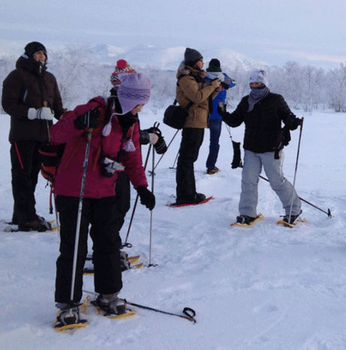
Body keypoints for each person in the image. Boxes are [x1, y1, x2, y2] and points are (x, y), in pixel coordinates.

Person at [50, 73, 156, 328]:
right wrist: (78, 123)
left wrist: (141, 187)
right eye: (139, 103)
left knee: (109, 243)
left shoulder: (131, 122)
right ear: (127, 98)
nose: (141, 108)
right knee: (74, 247)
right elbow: (55, 134)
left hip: (106, 190)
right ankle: (68, 304)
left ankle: (108, 294)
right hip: (74, 189)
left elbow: (132, 158)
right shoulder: (93, 110)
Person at [221, 70, 302, 226]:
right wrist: (223, 114)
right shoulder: (246, 101)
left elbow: (287, 116)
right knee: (248, 181)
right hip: (251, 148)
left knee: (277, 182)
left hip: (271, 148)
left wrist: (292, 121)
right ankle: (247, 213)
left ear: (264, 83)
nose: (254, 86)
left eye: (257, 83)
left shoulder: (276, 100)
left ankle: (294, 210)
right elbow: (235, 121)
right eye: (252, 83)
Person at [1, 41, 64, 232]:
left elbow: (58, 107)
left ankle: (20, 214)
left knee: (33, 177)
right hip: (23, 136)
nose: (42, 57)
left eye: (44, 54)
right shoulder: (17, 76)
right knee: (22, 177)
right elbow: (8, 104)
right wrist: (32, 113)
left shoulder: (50, 78)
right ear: (29, 55)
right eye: (38, 53)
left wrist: (72, 119)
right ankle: (27, 218)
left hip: (44, 136)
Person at [108, 60, 165, 269]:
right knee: (114, 208)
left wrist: (146, 135)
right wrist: (145, 137)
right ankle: (106, 249)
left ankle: (110, 246)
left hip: (125, 166)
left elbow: (129, 135)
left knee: (121, 206)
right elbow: (119, 136)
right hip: (114, 169)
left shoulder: (128, 105)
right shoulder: (115, 106)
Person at [174, 48, 222, 204]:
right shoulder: (186, 79)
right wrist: (210, 87)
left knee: (190, 158)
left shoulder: (195, 78)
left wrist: (214, 90)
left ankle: (189, 192)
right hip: (192, 122)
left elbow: (204, 99)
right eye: (201, 60)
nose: (203, 63)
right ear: (195, 62)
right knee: (186, 159)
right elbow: (196, 97)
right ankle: (185, 195)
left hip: (199, 121)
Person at [204, 58, 236, 175]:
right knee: (214, 142)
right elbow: (234, 83)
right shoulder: (224, 77)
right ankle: (211, 166)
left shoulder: (205, 77)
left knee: (195, 139)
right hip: (217, 113)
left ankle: (187, 164)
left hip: (202, 112)